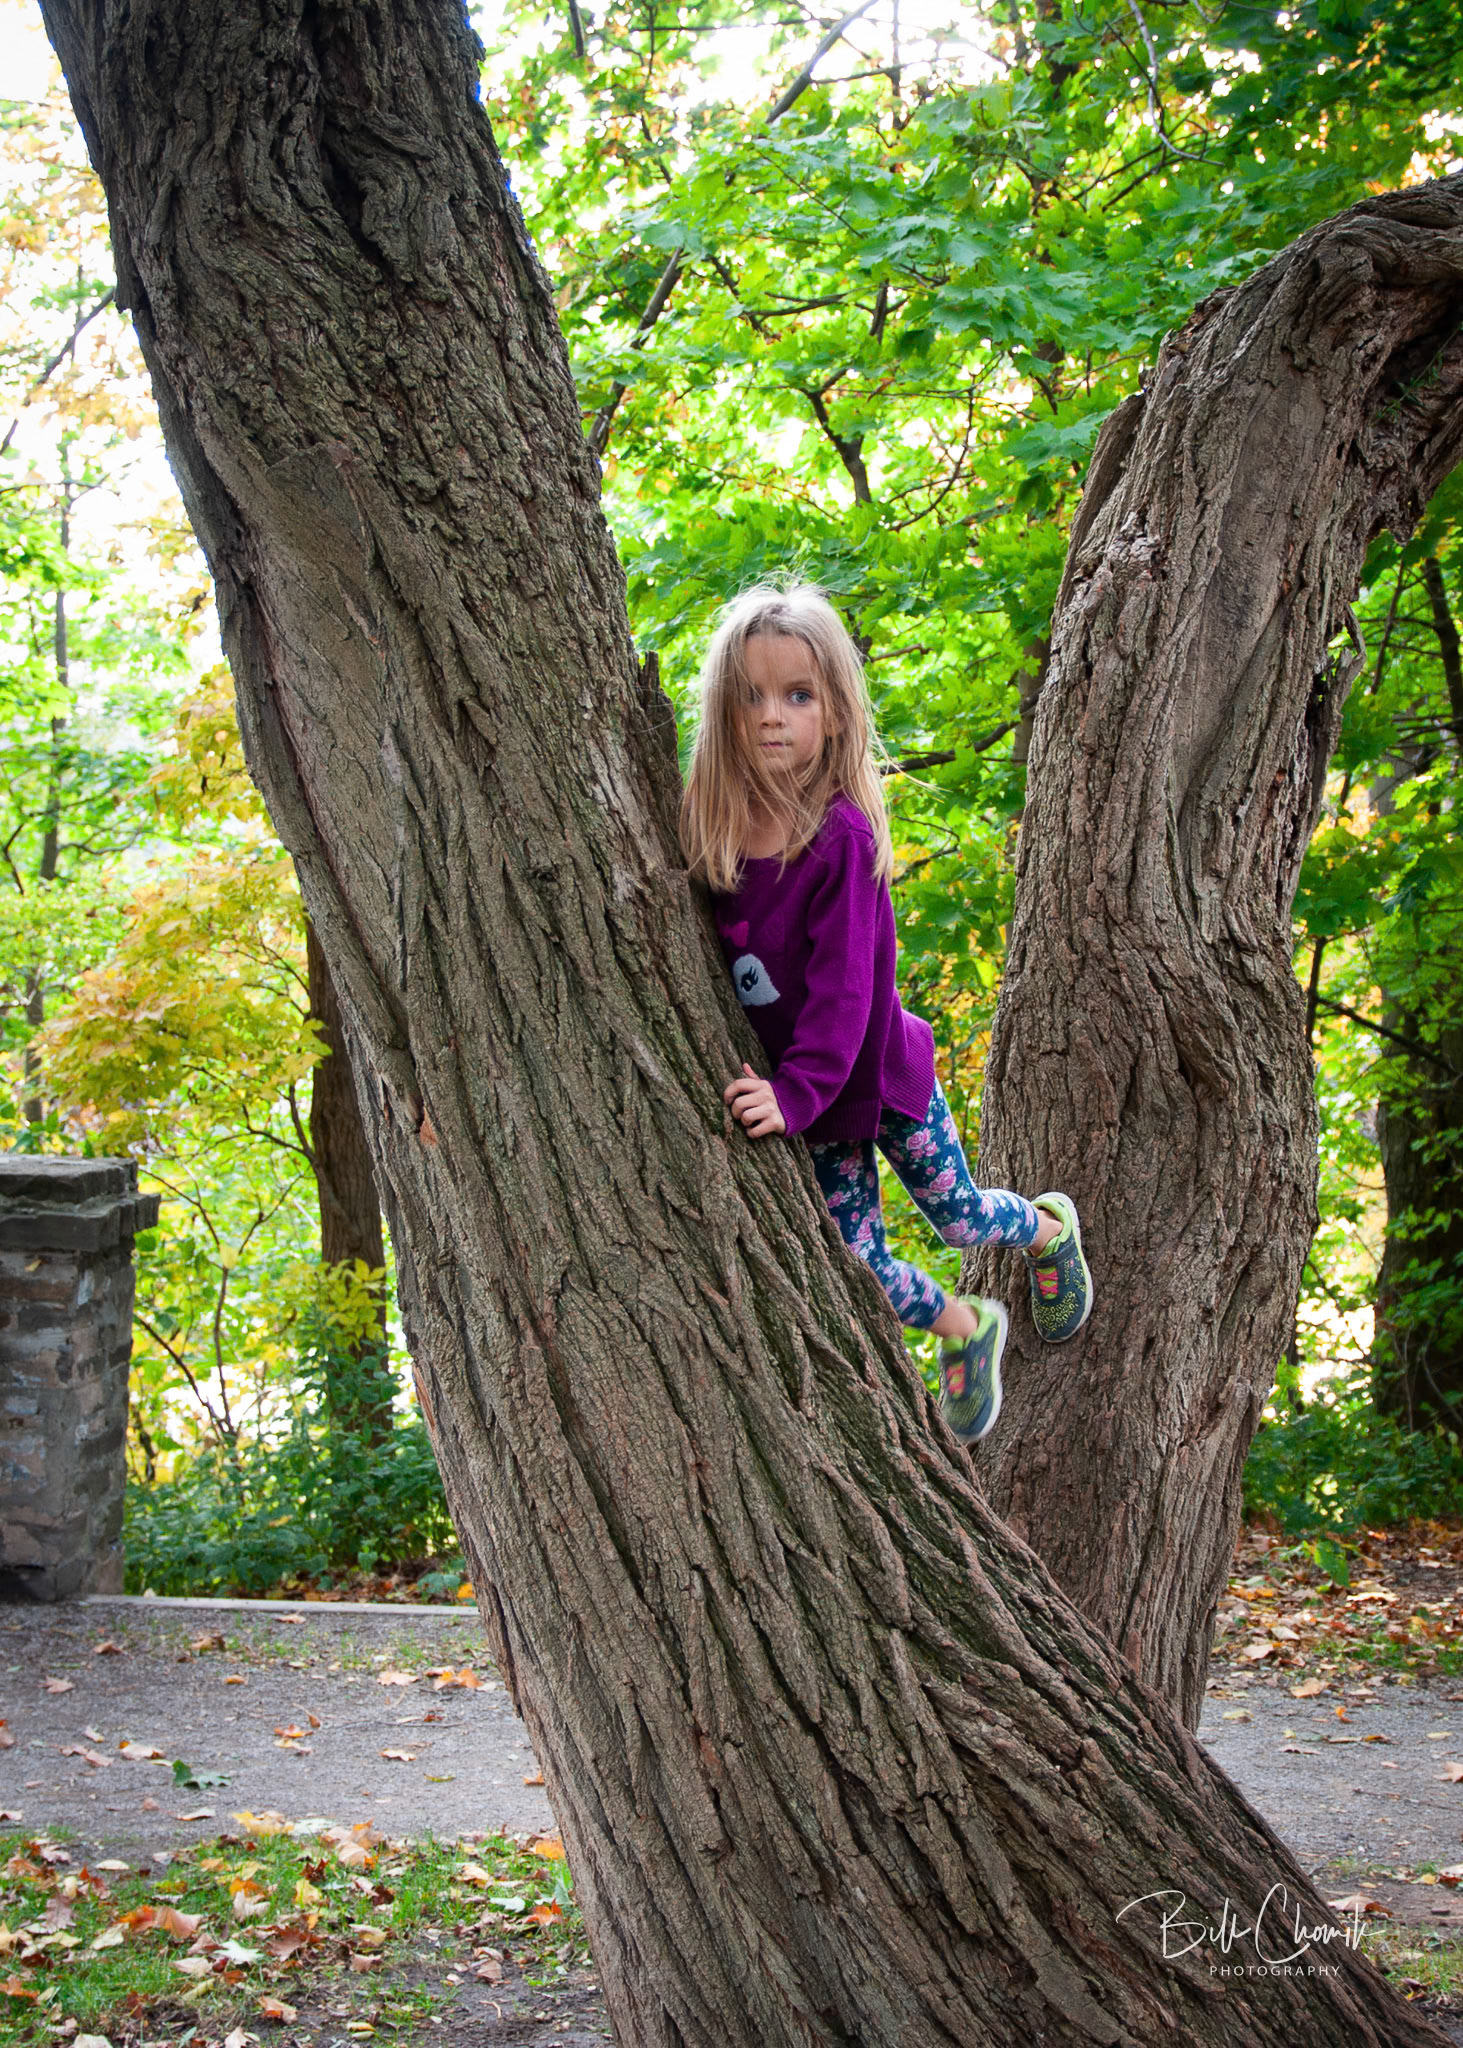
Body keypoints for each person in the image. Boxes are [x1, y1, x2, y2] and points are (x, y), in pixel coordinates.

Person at [679, 581, 1093, 1444]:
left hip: (871, 1074)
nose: (771, 716)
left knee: (959, 1214)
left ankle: (1050, 1226)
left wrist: (793, 1096)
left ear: (833, 712)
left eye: (796, 695)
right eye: (750, 695)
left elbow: (844, 996)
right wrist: (797, 1101)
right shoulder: (711, 827)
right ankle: (965, 1328)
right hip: (810, 1104)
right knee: (851, 1260)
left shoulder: (841, 837)